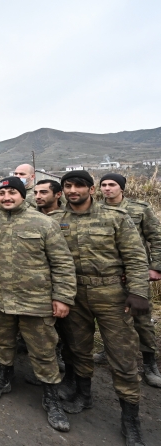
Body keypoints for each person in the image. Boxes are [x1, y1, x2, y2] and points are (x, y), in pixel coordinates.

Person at [51, 171, 150, 444]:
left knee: (122, 357)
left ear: (91, 189)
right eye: (68, 186)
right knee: (77, 349)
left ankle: (130, 419)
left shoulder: (115, 218)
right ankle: (83, 395)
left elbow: (135, 257)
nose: (73, 190)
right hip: (73, 294)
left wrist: (139, 292)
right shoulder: (54, 221)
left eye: (78, 186)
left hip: (111, 295)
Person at [0, 177, 74, 432]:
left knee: (43, 351)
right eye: (3, 193)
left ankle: (51, 397)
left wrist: (62, 297)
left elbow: (62, 263)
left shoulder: (44, 223)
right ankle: (3, 377)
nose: (7, 197)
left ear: (23, 195)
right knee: (1, 343)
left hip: (35, 301)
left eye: (12, 192)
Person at [96, 173, 161, 387]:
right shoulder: (95, 210)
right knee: (111, 316)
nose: (107, 189)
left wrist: (155, 268)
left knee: (142, 318)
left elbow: (156, 238)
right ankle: (108, 351)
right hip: (109, 273)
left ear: (121, 188)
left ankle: (150, 364)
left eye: (111, 185)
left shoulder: (140, 209)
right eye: (103, 185)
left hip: (135, 271)